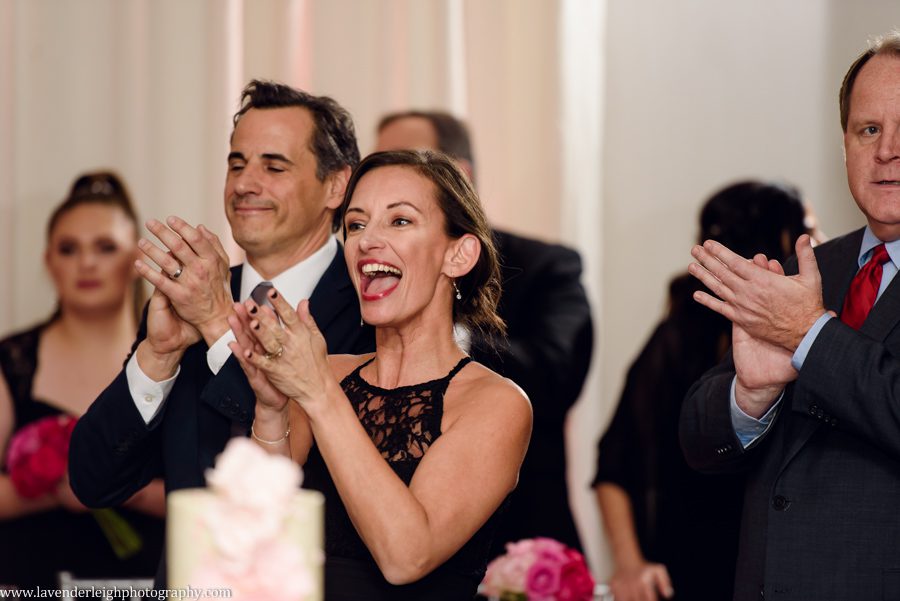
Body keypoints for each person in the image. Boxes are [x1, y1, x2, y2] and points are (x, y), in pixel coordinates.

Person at [69, 81, 375, 585]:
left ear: (337, 186)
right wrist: (158, 355)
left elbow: (315, 479)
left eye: (273, 167)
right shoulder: (195, 297)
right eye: (237, 164)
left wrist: (217, 325)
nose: (244, 185)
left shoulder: (372, 308)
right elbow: (94, 480)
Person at [228, 150, 532, 600]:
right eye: (355, 224)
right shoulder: (327, 374)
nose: (368, 241)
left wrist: (318, 393)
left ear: (459, 254)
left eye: (400, 221)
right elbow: (253, 538)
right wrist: (271, 410)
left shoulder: (496, 403)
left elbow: (406, 557)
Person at [681, 30, 900, 600]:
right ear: (845, 143)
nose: (885, 151)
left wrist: (811, 336)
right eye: (868, 129)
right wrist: (749, 398)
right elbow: (697, 441)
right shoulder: (809, 267)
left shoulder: (799, 305)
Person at [375, 111, 593, 556]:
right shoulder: (367, 278)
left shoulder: (546, 266)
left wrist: (438, 330)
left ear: (459, 175)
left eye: (408, 166)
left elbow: (556, 375)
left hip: (523, 543)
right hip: (388, 538)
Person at [594, 181, 811, 601]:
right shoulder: (678, 338)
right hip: (692, 569)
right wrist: (629, 564)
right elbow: (616, 462)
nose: (818, 250)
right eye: (808, 235)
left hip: (776, 568)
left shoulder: (820, 338)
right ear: (775, 248)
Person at [0, 171, 164, 587]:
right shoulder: (10, 361)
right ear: (48, 261)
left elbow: (217, 497)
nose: (86, 263)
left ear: (135, 261)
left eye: (105, 248)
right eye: (69, 249)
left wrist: (119, 488)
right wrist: (50, 488)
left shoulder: (176, 358)